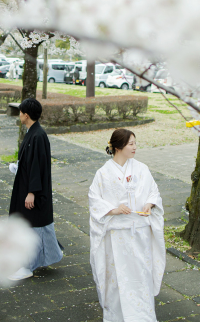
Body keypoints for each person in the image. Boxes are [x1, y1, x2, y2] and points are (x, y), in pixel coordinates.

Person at [88, 129, 166, 322]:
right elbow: (94, 199)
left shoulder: (141, 169)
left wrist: (150, 203)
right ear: (118, 147)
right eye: (131, 144)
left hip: (140, 233)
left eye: (135, 143)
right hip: (117, 236)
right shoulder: (103, 173)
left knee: (141, 275)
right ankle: (117, 317)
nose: (135, 147)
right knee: (117, 277)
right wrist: (113, 209)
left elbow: (153, 191)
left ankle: (143, 317)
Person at [8, 98, 63, 281]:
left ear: (26, 114)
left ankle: (28, 266)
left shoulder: (38, 135)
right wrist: (18, 167)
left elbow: (37, 166)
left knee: (33, 227)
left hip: (33, 192)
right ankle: (46, 257)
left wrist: (32, 192)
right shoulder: (34, 133)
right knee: (39, 227)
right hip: (29, 188)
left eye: (21, 112)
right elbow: (31, 163)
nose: (19, 114)